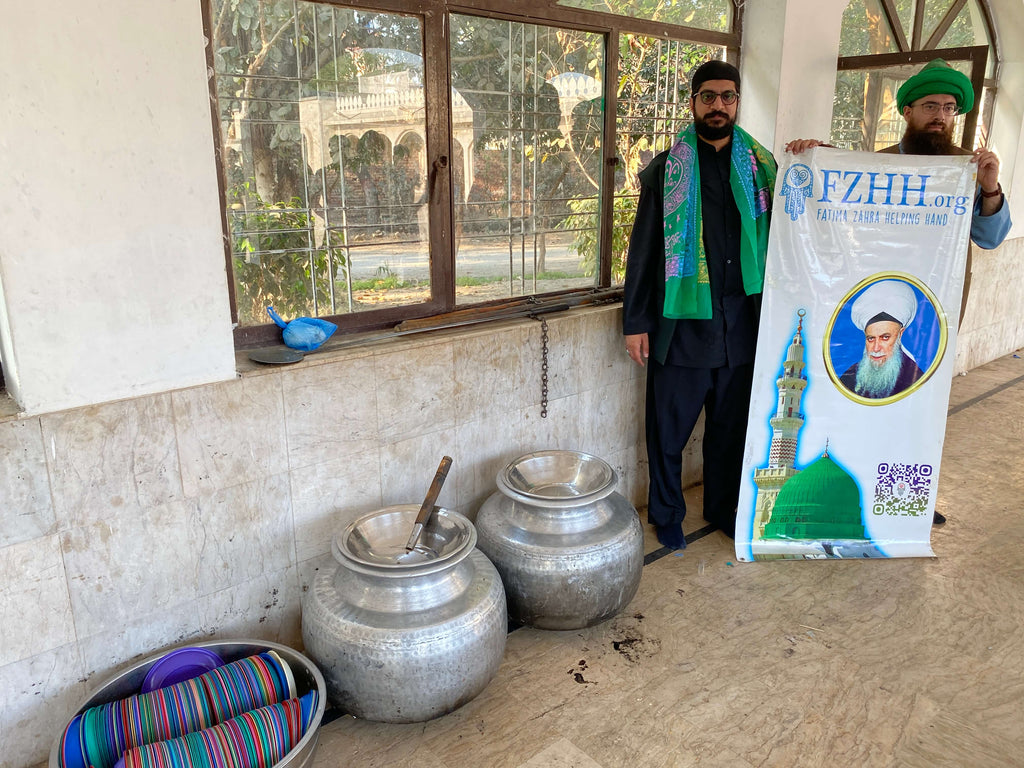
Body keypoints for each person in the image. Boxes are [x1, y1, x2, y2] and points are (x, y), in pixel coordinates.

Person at [787, 57, 1012, 525]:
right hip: (874, 300)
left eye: (950, 108)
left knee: (920, 406)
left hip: (937, 313)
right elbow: (834, 211)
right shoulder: (878, 165)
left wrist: (989, 189)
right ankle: (861, 491)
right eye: (931, 105)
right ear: (907, 111)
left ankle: (909, 504)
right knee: (865, 406)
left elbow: (990, 238)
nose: (941, 116)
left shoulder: (965, 171)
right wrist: (818, 158)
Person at [623, 60, 777, 549]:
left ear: (736, 103)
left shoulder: (763, 169)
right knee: (669, 431)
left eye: (727, 97)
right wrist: (636, 322)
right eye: (708, 96)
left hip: (742, 329)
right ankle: (667, 513)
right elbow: (644, 252)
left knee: (730, 431)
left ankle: (722, 506)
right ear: (693, 103)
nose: (718, 105)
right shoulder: (668, 170)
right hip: (683, 327)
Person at [838, 280, 923, 399]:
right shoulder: (850, 376)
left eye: (885, 337)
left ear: (900, 334)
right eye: (871, 338)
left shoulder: (914, 377)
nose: (876, 348)